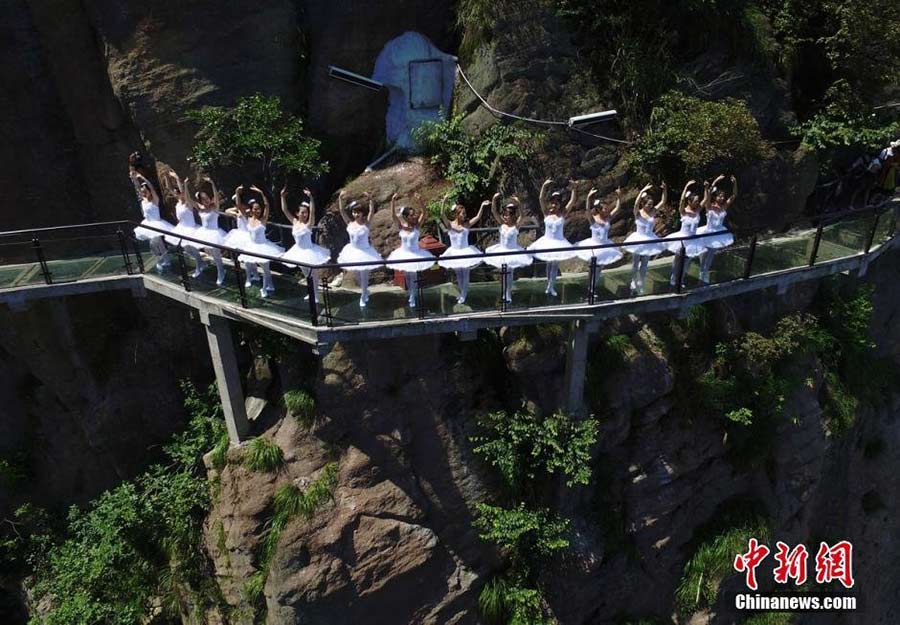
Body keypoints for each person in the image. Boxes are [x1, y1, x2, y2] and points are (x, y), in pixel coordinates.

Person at [279, 186, 331, 303]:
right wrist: (282, 197)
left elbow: (313, 212)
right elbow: (285, 210)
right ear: (297, 213)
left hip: (309, 251)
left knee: (313, 274)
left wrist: (311, 198)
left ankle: (316, 295)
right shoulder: (294, 222)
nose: (305, 214)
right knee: (306, 274)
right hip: (298, 251)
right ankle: (310, 292)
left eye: (306, 212)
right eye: (302, 212)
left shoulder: (309, 224)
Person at [384, 195, 436, 309]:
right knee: (407, 275)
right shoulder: (401, 226)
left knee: (413, 276)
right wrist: (392, 201)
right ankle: (411, 294)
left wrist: (420, 200)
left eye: (414, 214)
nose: (414, 216)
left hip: (416, 253)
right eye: (411, 215)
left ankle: (413, 296)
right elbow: (393, 215)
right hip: (404, 253)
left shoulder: (417, 226)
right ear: (406, 217)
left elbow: (424, 213)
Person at [528, 179, 578, 296]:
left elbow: (572, 201)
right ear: (550, 203)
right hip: (547, 241)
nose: (554, 204)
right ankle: (548, 284)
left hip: (559, 242)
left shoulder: (563, 214)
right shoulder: (546, 212)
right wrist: (544, 186)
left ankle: (551, 286)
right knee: (548, 263)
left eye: (557, 202)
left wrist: (574, 189)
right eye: (553, 202)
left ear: (560, 204)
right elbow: (540, 199)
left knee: (555, 264)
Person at [236, 187, 285, 297]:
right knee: (253, 265)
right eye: (255, 209)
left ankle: (264, 289)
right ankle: (270, 285)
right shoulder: (248, 218)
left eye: (259, 209)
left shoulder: (263, 220)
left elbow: (267, 206)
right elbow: (239, 206)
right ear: (251, 209)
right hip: (252, 246)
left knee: (265, 269)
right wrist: (237, 193)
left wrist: (261, 192)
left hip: (263, 246)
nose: (258, 211)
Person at [337, 191, 383, 308]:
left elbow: (372, 211)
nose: (356, 214)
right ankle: (365, 290)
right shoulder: (349, 223)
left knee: (364, 274)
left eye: (358, 212)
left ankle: (363, 294)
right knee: (357, 274)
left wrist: (370, 199)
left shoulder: (366, 224)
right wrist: (340, 199)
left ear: (362, 214)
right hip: (352, 251)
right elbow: (342, 211)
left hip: (365, 252)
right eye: (354, 212)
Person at [485, 194, 533, 303]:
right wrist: (494, 199)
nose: (505, 217)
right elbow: (494, 212)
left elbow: (522, 214)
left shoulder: (516, 226)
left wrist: (518, 202)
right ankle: (504, 293)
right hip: (501, 251)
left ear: (512, 216)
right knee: (503, 273)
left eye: (507, 215)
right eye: (505, 215)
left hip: (512, 252)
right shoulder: (502, 224)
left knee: (510, 273)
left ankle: (508, 294)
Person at [438, 196, 485, 304]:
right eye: (462, 214)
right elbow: (442, 214)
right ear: (457, 214)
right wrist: (444, 201)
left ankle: (464, 294)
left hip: (466, 251)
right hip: (454, 252)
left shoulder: (466, 224)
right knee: (459, 274)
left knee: (466, 273)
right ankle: (462, 292)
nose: (464, 216)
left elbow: (478, 217)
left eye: (465, 214)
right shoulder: (450, 225)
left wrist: (482, 205)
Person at [575, 187, 623, 290]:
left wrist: (619, 196)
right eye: (604, 209)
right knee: (593, 268)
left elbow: (617, 209)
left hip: (605, 245)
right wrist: (588, 197)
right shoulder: (593, 219)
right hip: (594, 245)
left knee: (600, 267)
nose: (607, 210)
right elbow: (587, 210)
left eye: (607, 208)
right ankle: (590, 287)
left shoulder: (608, 218)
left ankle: (593, 287)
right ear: (599, 210)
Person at [623, 183, 667, 295]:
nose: (651, 206)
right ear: (644, 204)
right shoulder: (638, 213)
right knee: (635, 263)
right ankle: (633, 281)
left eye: (651, 204)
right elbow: (636, 204)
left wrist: (664, 190)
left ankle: (641, 282)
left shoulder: (653, 212)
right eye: (648, 204)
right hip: (638, 239)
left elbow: (663, 201)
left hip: (650, 239)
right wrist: (642, 191)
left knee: (645, 264)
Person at [664, 180, 707, 288]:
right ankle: (673, 281)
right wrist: (686, 187)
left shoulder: (697, 211)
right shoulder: (683, 211)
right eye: (695, 201)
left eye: (698, 201)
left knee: (687, 263)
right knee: (677, 261)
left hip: (693, 241)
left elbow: (706, 199)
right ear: (689, 201)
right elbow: (682, 200)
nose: (697, 203)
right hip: (682, 239)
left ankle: (681, 281)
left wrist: (706, 188)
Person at [162, 171, 204, 277]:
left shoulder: (188, 203)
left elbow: (184, 191)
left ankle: (200, 265)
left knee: (192, 248)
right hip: (181, 227)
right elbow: (169, 189)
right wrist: (167, 177)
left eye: (179, 193)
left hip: (190, 228)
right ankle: (200, 263)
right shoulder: (178, 203)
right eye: (176, 193)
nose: (177, 194)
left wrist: (177, 178)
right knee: (186, 249)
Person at [697, 175, 737, 283]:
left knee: (711, 254)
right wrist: (716, 181)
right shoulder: (709, 206)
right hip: (708, 231)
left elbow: (734, 195)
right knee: (704, 253)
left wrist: (734, 183)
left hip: (719, 232)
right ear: (715, 197)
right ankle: (701, 272)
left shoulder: (723, 207)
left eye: (723, 196)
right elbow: (708, 195)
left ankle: (705, 273)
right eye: (720, 196)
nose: (722, 198)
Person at [131, 173, 173, 272]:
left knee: (157, 241)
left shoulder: (155, 200)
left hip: (156, 223)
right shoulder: (143, 200)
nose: (144, 193)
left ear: (149, 192)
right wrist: (135, 180)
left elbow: (152, 188)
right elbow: (137, 189)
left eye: (145, 191)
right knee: (152, 244)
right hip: (147, 223)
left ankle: (166, 259)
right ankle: (159, 259)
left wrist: (142, 177)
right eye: (143, 192)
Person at [190, 176, 228, 285]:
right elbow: (189, 201)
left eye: (207, 198)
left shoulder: (214, 207)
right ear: (201, 201)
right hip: (204, 233)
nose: (206, 200)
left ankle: (221, 272)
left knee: (216, 254)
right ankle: (213, 267)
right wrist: (184, 187)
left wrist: (212, 183)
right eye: (203, 199)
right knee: (210, 253)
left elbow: (216, 197)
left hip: (214, 233)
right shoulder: (201, 209)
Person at [224, 186, 259, 285]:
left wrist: (237, 193)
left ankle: (249, 277)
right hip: (240, 235)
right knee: (247, 258)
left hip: (248, 236)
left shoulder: (248, 212)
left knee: (248, 258)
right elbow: (228, 210)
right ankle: (255, 275)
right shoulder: (239, 211)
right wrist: (236, 210)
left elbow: (240, 207)